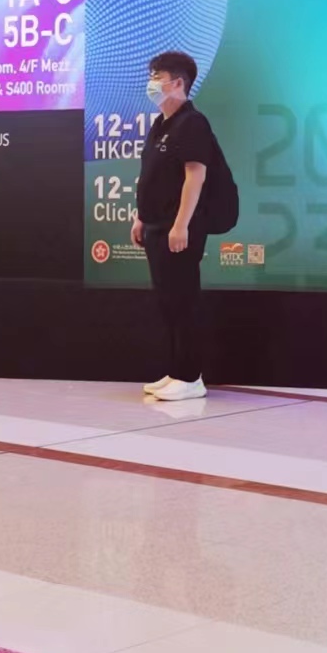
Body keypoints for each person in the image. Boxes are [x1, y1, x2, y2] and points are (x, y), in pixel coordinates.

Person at [131, 51, 215, 403]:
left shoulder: (192, 123)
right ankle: (175, 371)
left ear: (177, 83)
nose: (151, 83)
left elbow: (195, 175)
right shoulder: (161, 124)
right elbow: (153, 175)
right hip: (155, 226)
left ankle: (191, 377)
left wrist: (181, 225)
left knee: (183, 301)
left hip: (178, 230)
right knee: (167, 302)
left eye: (157, 76)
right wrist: (141, 216)